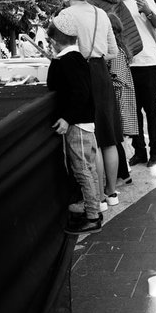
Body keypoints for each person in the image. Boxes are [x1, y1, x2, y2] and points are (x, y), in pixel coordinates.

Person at [55, 0, 122, 208]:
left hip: (79, 74)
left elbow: (57, 51)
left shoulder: (64, 16)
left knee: (90, 137)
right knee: (109, 137)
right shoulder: (101, 14)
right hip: (101, 74)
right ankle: (112, 194)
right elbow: (113, 52)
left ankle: (98, 198)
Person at [100, 0, 156, 167]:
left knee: (151, 109)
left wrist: (148, 12)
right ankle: (140, 151)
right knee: (132, 110)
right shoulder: (112, 4)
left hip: (146, 61)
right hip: (125, 63)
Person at [46, 15, 103, 235]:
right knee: (88, 169)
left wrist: (67, 118)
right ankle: (93, 206)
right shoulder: (77, 58)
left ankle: (92, 215)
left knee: (82, 170)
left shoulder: (66, 61)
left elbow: (78, 93)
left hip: (78, 125)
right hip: (85, 123)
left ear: (55, 40)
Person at [106, 11, 139, 185]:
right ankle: (123, 172)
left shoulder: (116, 52)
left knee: (117, 139)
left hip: (119, 101)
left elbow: (117, 78)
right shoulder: (119, 49)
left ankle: (122, 174)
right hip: (119, 100)